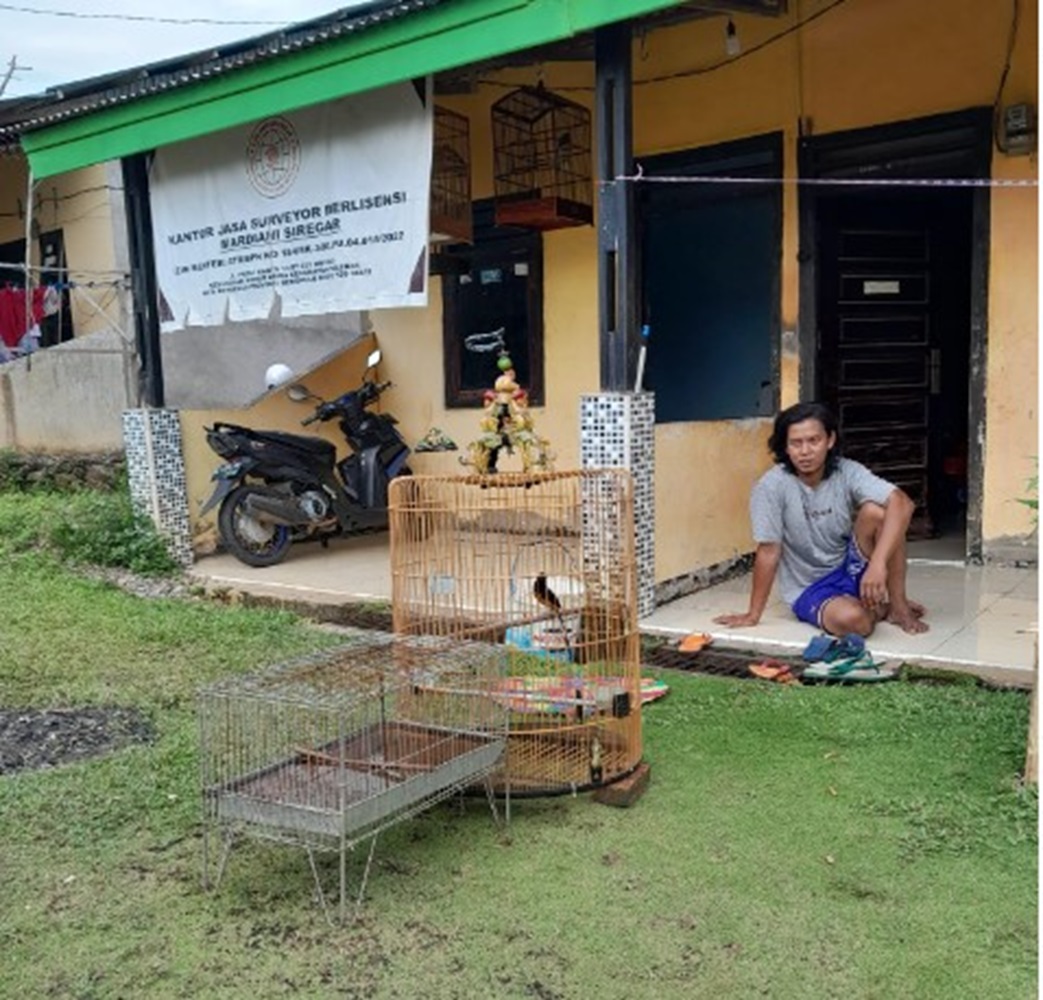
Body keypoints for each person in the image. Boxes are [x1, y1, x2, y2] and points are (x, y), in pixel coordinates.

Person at [714, 401, 928, 637]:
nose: (805, 451)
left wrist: (877, 565)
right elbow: (768, 551)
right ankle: (877, 609)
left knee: (879, 513)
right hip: (811, 587)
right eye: (796, 443)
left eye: (813, 441)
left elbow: (902, 503)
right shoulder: (771, 487)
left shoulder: (846, 470)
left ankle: (898, 606)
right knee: (856, 622)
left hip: (850, 565)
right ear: (785, 447)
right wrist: (753, 614)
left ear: (830, 440)